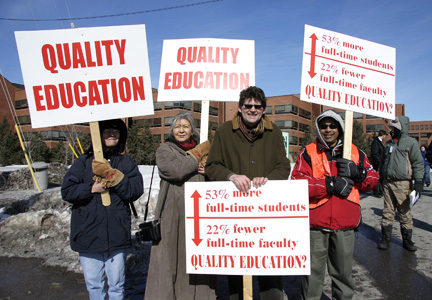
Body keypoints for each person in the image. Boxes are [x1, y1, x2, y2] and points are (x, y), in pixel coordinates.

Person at [205, 86, 291, 300]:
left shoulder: (275, 133)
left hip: (266, 213)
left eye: (257, 106)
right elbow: (212, 165)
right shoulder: (225, 132)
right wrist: (230, 176)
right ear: (240, 107)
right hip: (235, 214)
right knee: (237, 274)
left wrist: (270, 179)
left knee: (270, 272)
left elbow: (283, 167)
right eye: (248, 105)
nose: (252, 109)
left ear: (264, 110)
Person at [291, 109, 378, 300]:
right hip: (315, 226)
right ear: (318, 129)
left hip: (344, 227)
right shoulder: (308, 152)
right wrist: (329, 185)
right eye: (324, 126)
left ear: (340, 128)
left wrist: (358, 173)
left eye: (332, 126)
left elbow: (373, 180)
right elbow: (297, 184)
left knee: (343, 277)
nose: (328, 130)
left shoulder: (355, 152)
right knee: (312, 278)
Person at [61, 119, 144, 300]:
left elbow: (135, 190)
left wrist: (115, 177)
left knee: (117, 286)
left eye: (116, 131)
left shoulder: (125, 163)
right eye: (107, 131)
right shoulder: (83, 162)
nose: (112, 134)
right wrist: (91, 189)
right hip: (87, 234)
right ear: (98, 135)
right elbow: (67, 191)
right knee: (95, 285)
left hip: (117, 234)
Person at [144, 112, 216, 300]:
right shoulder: (165, 150)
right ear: (172, 130)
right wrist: (197, 156)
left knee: (196, 257)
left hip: (199, 212)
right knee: (171, 258)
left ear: (193, 130)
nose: (181, 130)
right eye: (177, 126)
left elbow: (217, 175)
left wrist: (209, 169)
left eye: (186, 126)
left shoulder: (207, 150)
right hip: (172, 213)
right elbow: (175, 170)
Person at [378, 116, 424, 251]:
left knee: (404, 213)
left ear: (401, 128)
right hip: (388, 183)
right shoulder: (389, 144)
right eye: (390, 128)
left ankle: (407, 241)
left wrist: (419, 181)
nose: (390, 130)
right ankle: (385, 240)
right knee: (387, 212)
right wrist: (380, 180)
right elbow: (383, 163)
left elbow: (418, 163)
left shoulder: (411, 143)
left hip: (403, 184)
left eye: (393, 128)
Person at [370, 129, 388, 197]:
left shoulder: (378, 142)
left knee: (379, 178)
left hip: (379, 163)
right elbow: (375, 153)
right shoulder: (376, 142)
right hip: (377, 164)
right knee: (377, 178)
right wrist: (380, 162)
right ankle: (377, 192)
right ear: (383, 135)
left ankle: (379, 191)